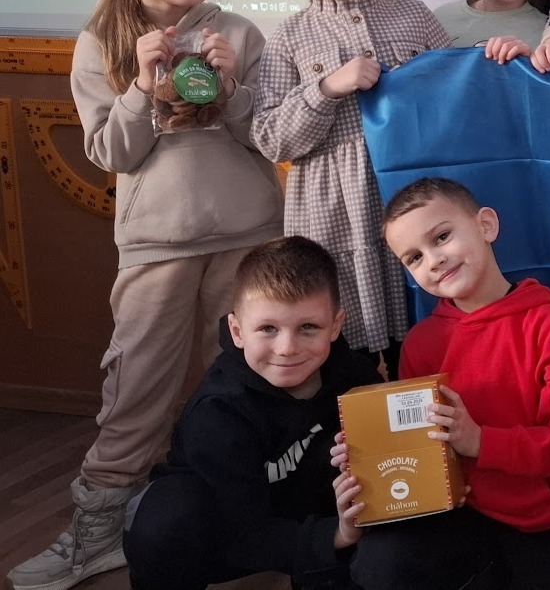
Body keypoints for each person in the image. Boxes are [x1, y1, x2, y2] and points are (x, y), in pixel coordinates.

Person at [8, 0, 284, 590]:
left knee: (245, 385)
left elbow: (268, 137)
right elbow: (111, 152)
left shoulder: (240, 33)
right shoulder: (100, 42)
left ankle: (248, 520)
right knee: (136, 388)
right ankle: (97, 533)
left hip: (250, 239)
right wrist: (139, 86)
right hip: (158, 246)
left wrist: (232, 87)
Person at [343, 177, 550, 589]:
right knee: (380, 563)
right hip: (462, 517)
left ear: (485, 226)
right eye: (414, 257)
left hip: (546, 522)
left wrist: (480, 441)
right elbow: (419, 449)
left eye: (441, 237)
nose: (433, 260)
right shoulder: (421, 344)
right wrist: (369, 452)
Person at [252, 0, 451, 374]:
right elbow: (272, 138)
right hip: (330, 215)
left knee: (424, 341)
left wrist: (499, 56)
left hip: (409, 202)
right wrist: (325, 88)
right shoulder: (289, 36)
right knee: (342, 357)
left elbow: (458, 95)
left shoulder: (414, 18)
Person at [122, 236, 381, 590]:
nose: (287, 348)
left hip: (312, 512)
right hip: (224, 527)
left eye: (308, 327)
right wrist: (333, 536)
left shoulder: (357, 378)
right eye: (268, 329)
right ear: (237, 331)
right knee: (165, 520)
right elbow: (241, 532)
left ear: (335, 326)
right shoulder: (217, 411)